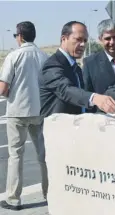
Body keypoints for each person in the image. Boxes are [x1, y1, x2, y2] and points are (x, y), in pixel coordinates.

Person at [0, 21, 48, 211]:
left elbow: (3, 89)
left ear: (20, 36)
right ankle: (49, 192)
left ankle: (13, 198)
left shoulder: (14, 56)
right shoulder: (44, 56)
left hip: (17, 112)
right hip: (39, 111)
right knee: (43, 155)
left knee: (15, 155)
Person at [39, 21, 115, 117]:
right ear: (64, 39)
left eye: (85, 41)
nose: (82, 44)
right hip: (56, 128)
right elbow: (65, 90)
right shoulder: (52, 65)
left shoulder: (76, 68)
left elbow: (82, 96)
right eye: (78, 39)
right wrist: (94, 98)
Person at [82, 19, 115, 113]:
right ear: (100, 39)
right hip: (104, 121)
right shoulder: (90, 63)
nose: (112, 42)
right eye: (107, 38)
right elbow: (87, 95)